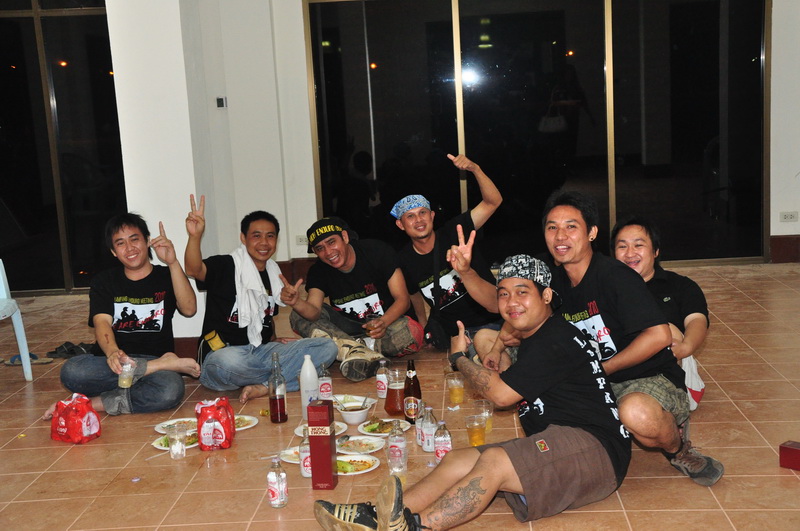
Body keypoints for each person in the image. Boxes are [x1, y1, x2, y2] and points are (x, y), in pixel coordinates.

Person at [314, 255, 631, 530]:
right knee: (458, 460)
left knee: (494, 461)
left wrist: (458, 358)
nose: (511, 302)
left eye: (522, 292)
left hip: (596, 453)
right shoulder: (541, 335)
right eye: (504, 294)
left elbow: (501, 396)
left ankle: (415, 526)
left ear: (546, 295)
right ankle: (377, 517)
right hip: (567, 440)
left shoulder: (555, 338)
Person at [43, 213, 200, 419]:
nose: (129, 248)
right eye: (120, 243)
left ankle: (88, 404)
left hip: (153, 357)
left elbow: (189, 309)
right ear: (113, 251)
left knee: (170, 389)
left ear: (147, 241)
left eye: (134, 239)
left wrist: (172, 263)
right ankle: (161, 366)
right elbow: (101, 322)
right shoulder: (104, 281)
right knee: (72, 371)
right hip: (115, 362)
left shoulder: (166, 275)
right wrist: (113, 353)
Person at [184, 195, 337, 401]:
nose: (264, 242)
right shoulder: (226, 265)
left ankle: (265, 386)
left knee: (327, 348)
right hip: (223, 355)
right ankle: (285, 376)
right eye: (256, 236)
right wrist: (195, 236)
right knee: (230, 362)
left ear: (276, 240)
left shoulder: (274, 274)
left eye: (270, 236)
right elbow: (193, 269)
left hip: (260, 351)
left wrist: (273, 340)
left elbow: (265, 317)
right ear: (243, 238)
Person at [283, 216, 423, 380]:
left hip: (385, 326)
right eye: (320, 248)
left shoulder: (377, 251)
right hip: (346, 329)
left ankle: (351, 350)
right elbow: (313, 312)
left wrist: (383, 322)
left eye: (331, 242)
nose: (328, 252)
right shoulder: (318, 271)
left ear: (345, 237)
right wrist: (296, 302)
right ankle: (357, 350)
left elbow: (403, 299)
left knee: (410, 332)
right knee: (298, 314)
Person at [393, 153, 502, 345]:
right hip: (454, 336)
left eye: (423, 213)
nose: (418, 220)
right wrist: (424, 329)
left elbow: (493, 202)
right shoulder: (404, 259)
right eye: (410, 216)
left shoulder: (455, 231)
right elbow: (414, 296)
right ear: (400, 225)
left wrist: (475, 169)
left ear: (432, 216)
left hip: (493, 323)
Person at [612, 215, 709, 409]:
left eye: (638, 245)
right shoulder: (605, 288)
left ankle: (671, 404)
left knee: (666, 330)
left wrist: (685, 348)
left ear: (655, 251)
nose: (630, 253)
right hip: (618, 367)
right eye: (622, 246)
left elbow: (696, 320)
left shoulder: (681, 286)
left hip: (666, 368)